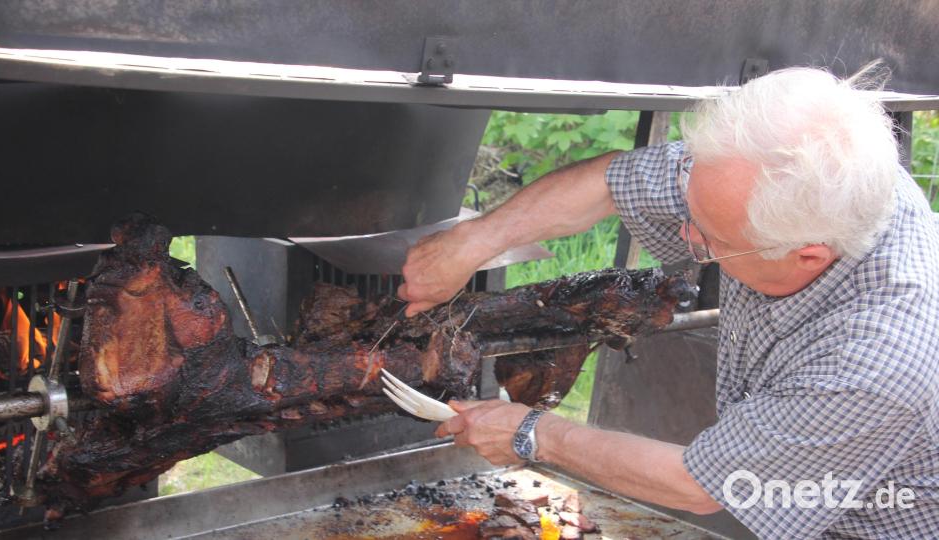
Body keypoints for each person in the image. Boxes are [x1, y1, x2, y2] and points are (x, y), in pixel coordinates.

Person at [397, 66, 939, 538]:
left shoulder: (876, 363)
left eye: (712, 238)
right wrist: (471, 244)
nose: (687, 238)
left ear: (808, 255)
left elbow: (701, 486)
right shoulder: (797, 169)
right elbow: (611, 184)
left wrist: (531, 433)